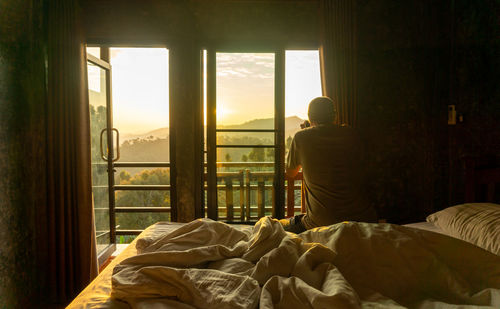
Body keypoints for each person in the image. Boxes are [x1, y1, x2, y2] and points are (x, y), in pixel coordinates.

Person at [281, 96, 377, 233]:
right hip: (363, 219)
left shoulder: (301, 137)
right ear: (335, 116)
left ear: (310, 117)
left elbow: (291, 173)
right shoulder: (352, 134)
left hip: (322, 222)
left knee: (280, 227)